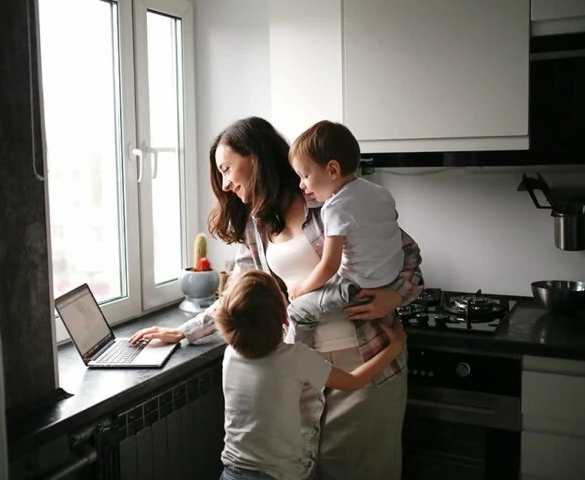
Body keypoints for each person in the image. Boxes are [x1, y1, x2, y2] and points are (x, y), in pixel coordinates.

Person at [130, 116, 423, 480]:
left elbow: (408, 255)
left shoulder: (329, 195)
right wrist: (185, 332)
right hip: (298, 366)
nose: (224, 182)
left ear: (254, 157)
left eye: (227, 168)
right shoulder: (256, 224)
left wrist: (394, 297)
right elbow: (241, 290)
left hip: (365, 354)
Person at [214, 269, 406, 480]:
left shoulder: (230, 355)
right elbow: (353, 381)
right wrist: (394, 347)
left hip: (232, 471)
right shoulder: (295, 357)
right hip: (279, 475)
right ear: (283, 315)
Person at [284, 120, 404, 348]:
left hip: (357, 287)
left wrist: (301, 289)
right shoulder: (381, 193)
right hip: (390, 279)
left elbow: (329, 265)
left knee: (297, 311)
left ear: (332, 170)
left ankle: (298, 359)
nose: (301, 185)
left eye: (304, 176)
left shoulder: (335, 207)